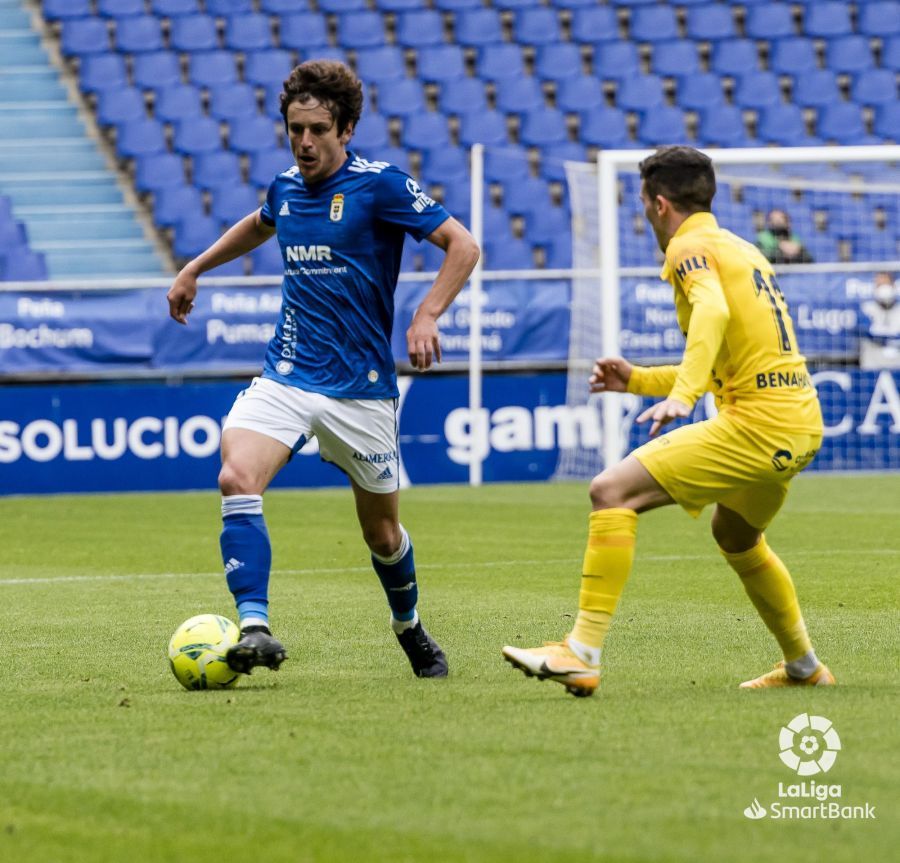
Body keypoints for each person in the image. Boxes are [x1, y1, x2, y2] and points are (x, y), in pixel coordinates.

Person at [167, 60, 479, 678]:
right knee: (237, 476)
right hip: (287, 374)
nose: (304, 143)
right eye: (294, 130)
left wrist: (427, 314)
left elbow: (463, 246)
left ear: (347, 128)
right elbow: (259, 224)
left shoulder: (381, 185)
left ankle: (409, 627)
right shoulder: (287, 186)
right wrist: (194, 268)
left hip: (360, 391)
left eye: (317, 130)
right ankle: (254, 625)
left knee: (383, 535)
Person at [503, 146, 833, 697]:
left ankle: (580, 652)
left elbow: (712, 313)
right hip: (799, 424)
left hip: (758, 426)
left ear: (659, 204)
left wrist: (681, 396)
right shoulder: (740, 249)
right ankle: (804, 666)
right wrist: (637, 380)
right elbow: (727, 356)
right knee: (736, 534)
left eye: (643, 205)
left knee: (611, 491)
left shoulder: (688, 247)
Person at [859, 271, 900, 370]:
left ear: (893, 286)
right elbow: (867, 332)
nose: (883, 289)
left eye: (886, 284)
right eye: (880, 285)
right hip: (872, 367)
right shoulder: (865, 309)